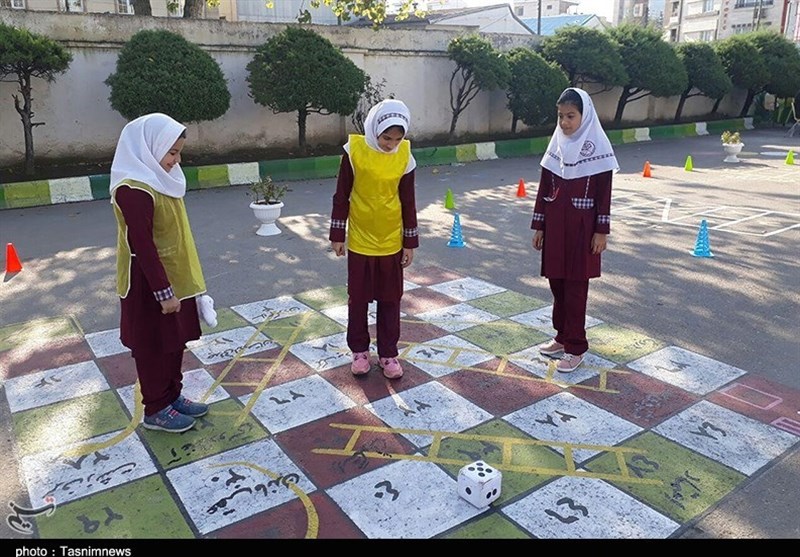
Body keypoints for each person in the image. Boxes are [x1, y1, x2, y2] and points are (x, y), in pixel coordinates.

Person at [110, 113, 210, 432]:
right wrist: (163, 292)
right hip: (149, 281)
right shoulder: (134, 189)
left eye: (179, 152)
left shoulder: (163, 178)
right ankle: (155, 408)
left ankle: (172, 396)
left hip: (175, 276)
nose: (176, 160)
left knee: (174, 340)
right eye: (172, 152)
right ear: (150, 147)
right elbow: (142, 246)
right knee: (153, 344)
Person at [329, 99, 419, 379]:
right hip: (360, 239)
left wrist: (409, 242)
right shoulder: (354, 152)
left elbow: (408, 201)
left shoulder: (405, 156)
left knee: (390, 300)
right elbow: (342, 194)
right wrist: (337, 234)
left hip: (391, 240)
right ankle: (359, 351)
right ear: (375, 130)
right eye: (386, 138)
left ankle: (388, 353)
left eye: (397, 139)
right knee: (358, 299)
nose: (391, 144)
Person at [531, 88, 618, 373]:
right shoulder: (556, 145)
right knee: (557, 283)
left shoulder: (598, 149)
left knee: (576, 288)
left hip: (582, 230)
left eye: (571, 116)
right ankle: (561, 336)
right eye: (560, 116)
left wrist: (601, 231)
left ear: (585, 115)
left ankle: (576, 347)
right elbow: (544, 189)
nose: (565, 122)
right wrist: (539, 226)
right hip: (555, 226)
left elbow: (604, 195)